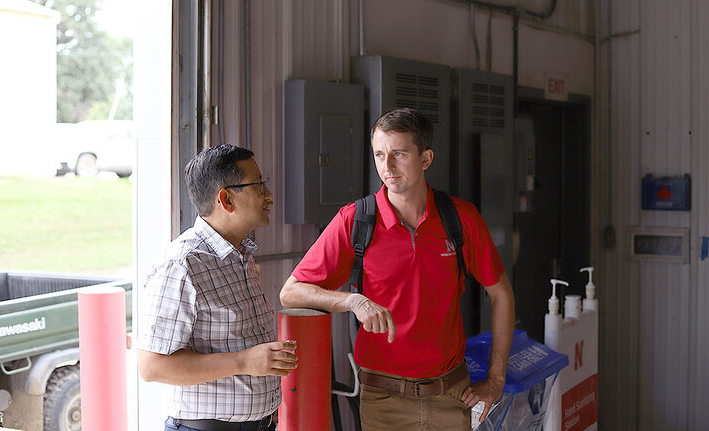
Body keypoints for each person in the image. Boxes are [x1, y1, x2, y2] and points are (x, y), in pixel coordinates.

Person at [280, 108, 515, 430]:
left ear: (426, 158)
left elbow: (501, 294)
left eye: (399, 154)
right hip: (384, 400)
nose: (387, 167)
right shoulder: (356, 220)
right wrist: (352, 301)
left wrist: (495, 379)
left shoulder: (461, 218)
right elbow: (291, 292)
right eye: (379, 154)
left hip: (453, 395)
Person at [137, 144, 298, 431]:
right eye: (259, 186)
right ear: (226, 199)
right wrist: (243, 361)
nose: (269, 196)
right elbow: (152, 366)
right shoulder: (183, 264)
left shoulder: (240, 255)